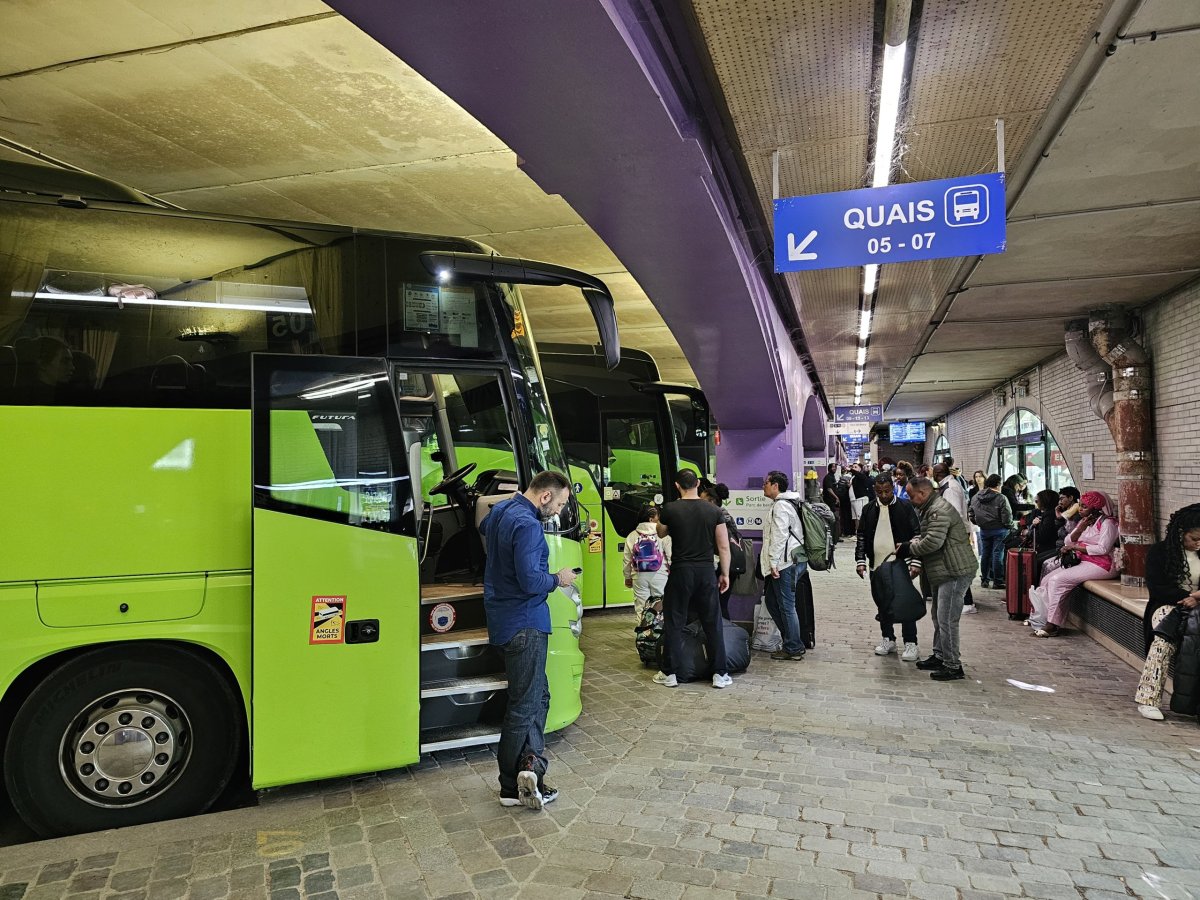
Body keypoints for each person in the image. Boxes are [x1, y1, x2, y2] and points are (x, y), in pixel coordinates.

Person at [479, 470, 578, 811]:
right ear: (546, 496)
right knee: (523, 706)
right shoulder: (529, 525)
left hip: (505, 619)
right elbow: (531, 580)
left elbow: (483, 529)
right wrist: (559, 578)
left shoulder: (501, 512)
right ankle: (510, 786)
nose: (559, 512)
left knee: (540, 695)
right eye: (560, 503)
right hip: (525, 623)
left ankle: (531, 766)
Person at [655, 469, 732, 688]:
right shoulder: (714, 511)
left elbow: (661, 533)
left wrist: (663, 519)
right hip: (706, 571)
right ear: (698, 483)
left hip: (680, 571)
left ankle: (669, 674)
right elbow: (724, 547)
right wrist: (724, 574)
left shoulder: (670, 509)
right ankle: (720, 674)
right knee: (712, 621)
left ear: (678, 485)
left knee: (674, 621)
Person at [902, 477, 978, 681]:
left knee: (947, 619)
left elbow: (933, 542)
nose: (909, 499)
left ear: (923, 493)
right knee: (938, 615)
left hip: (954, 570)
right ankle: (940, 655)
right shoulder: (930, 508)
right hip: (943, 570)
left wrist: (908, 548)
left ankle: (953, 665)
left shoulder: (938, 510)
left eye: (911, 495)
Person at [1134, 504, 1200, 720]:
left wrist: (1196, 598)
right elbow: (1157, 587)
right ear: (1181, 534)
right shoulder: (1160, 552)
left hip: (1198, 605)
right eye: (1194, 538)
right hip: (1168, 605)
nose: (1198, 543)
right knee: (1163, 640)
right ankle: (1148, 698)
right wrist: (1186, 597)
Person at [1026, 491, 1119, 637]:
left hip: (1103, 564)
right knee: (1046, 580)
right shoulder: (1085, 522)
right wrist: (1080, 529)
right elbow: (1068, 541)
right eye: (1080, 506)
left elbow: (1103, 548)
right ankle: (1040, 617)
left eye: (1085, 506)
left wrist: (1076, 548)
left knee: (1058, 580)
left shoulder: (1108, 523)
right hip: (1084, 560)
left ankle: (1053, 624)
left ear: (1096, 508)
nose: (1080, 509)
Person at [856, 473, 923, 661]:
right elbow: (861, 536)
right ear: (874, 490)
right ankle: (888, 638)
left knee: (905, 603)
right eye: (879, 492)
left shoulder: (905, 506)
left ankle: (911, 643)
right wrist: (860, 561)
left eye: (886, 491)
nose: (883, 495)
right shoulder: (869, 509)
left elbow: (917, 534)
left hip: (901, 564)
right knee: (883, 604)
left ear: (892, 488)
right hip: (876, 565)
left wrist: (916, 561)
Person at [760, 470, 807, 662]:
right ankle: (791, 641)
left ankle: (794, 647)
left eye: (766, 482)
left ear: (775, 485)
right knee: (772, 601)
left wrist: (773, 563)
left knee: (787, 606)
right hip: (791, 560)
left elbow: (779, 536)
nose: (764, 486)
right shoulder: (789, 503)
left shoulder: (781, 506)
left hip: (785, 563)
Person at [933, 462, 976, 614]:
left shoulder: (950, 489)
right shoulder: (949, 485)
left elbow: (954, 513)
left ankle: (967, 602)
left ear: (938, 474)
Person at [623, 505, 671, 618]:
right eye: (658, 517)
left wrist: (627, 577)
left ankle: (643, 633)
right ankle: (659, 633)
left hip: (639, 575)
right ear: (651, 519)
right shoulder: (663, 535)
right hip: (660, 574)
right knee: (661, 604)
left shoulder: (632, 535)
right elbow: (670, 555)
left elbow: (627, 559)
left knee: (641, 606)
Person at [701, 482, 740, 619]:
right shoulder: (727, 516)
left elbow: (721, 546)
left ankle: (717, 636)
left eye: (702, 500)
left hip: (719, 565)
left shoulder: (714, 517)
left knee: (713, 604)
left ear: (711, 501)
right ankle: (725, 634)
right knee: (722, 603)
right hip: (731, 564)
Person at [969, 475, 1012, 589]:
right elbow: (1007, 516)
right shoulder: (1001, 498)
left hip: (984, 530)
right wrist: (1009, 526)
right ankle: (998, 581)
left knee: (985, 554)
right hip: (1000, 530)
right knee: (998, 555)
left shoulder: (976, 497)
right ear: (998, 484)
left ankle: (985, 580)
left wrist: (979, 523)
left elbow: (971, 513)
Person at [850, 463, 873, 536]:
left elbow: (862, 478)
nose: (854, 468)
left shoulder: (862, 476)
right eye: (853, 467)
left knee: (861, 516)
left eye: (856, 467)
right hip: (854, 499)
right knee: (856, 517)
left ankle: (861, 533)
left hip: (861, 498)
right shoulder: (853, 477)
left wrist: (851, 469)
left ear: (860, 468)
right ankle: (857, 533)